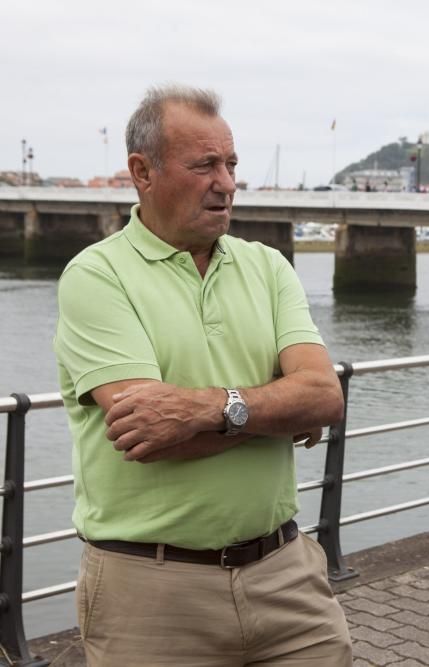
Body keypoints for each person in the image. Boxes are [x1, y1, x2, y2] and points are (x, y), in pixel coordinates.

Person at [53, 85, 352, 666]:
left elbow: (322, 396)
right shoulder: (96, 277)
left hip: (285, 575)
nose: (227, 182)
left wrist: (209, 409)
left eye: (232, 163)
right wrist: (274, 413)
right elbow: (153, 437)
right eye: (204, 165)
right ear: (143, 171)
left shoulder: (266, 266)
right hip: (152, 592)